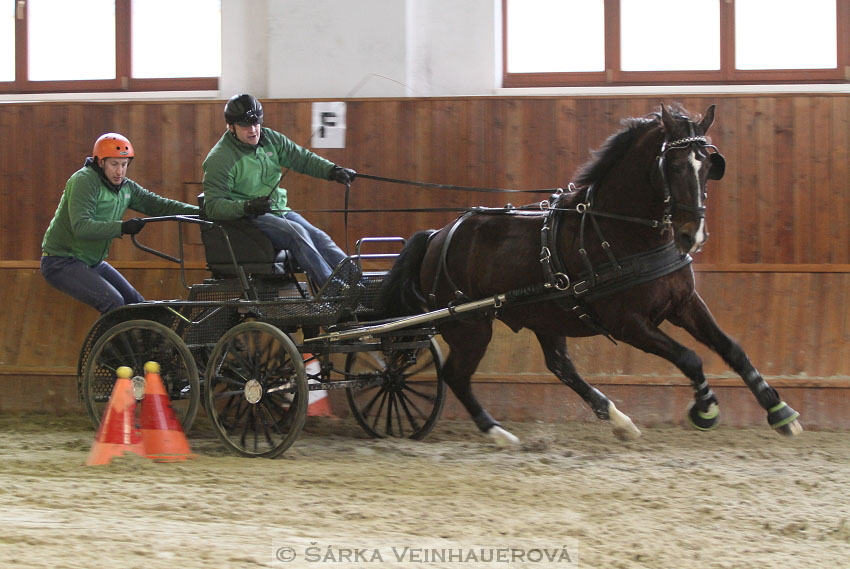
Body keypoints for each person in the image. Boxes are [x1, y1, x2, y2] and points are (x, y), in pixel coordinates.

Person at [201, 93, 356, 288]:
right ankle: (334, 291)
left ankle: (359, 283)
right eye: (245, 126)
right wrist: (246, 206)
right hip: (246, 218)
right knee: (297, 234)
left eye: (256, 124)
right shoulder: (220, 159)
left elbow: (302, 158)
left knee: (319, 237)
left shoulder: (270, 139)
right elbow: (213, 206)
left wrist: (333, 171)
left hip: (277, 210)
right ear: (231, 127)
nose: (253, 131)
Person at [41, 133, 199, 314]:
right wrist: (122, 227)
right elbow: (81, 227)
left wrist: (202, 212)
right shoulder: (84, 181)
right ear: (101, 162)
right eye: (114, 164)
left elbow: (160, 205)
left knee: (137, 303)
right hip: (61, 261)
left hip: (92, 261)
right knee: (113, 303)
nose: (120, 171)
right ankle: (111, 343)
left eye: (124, 165)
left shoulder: (126, 187)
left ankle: (141, 341)